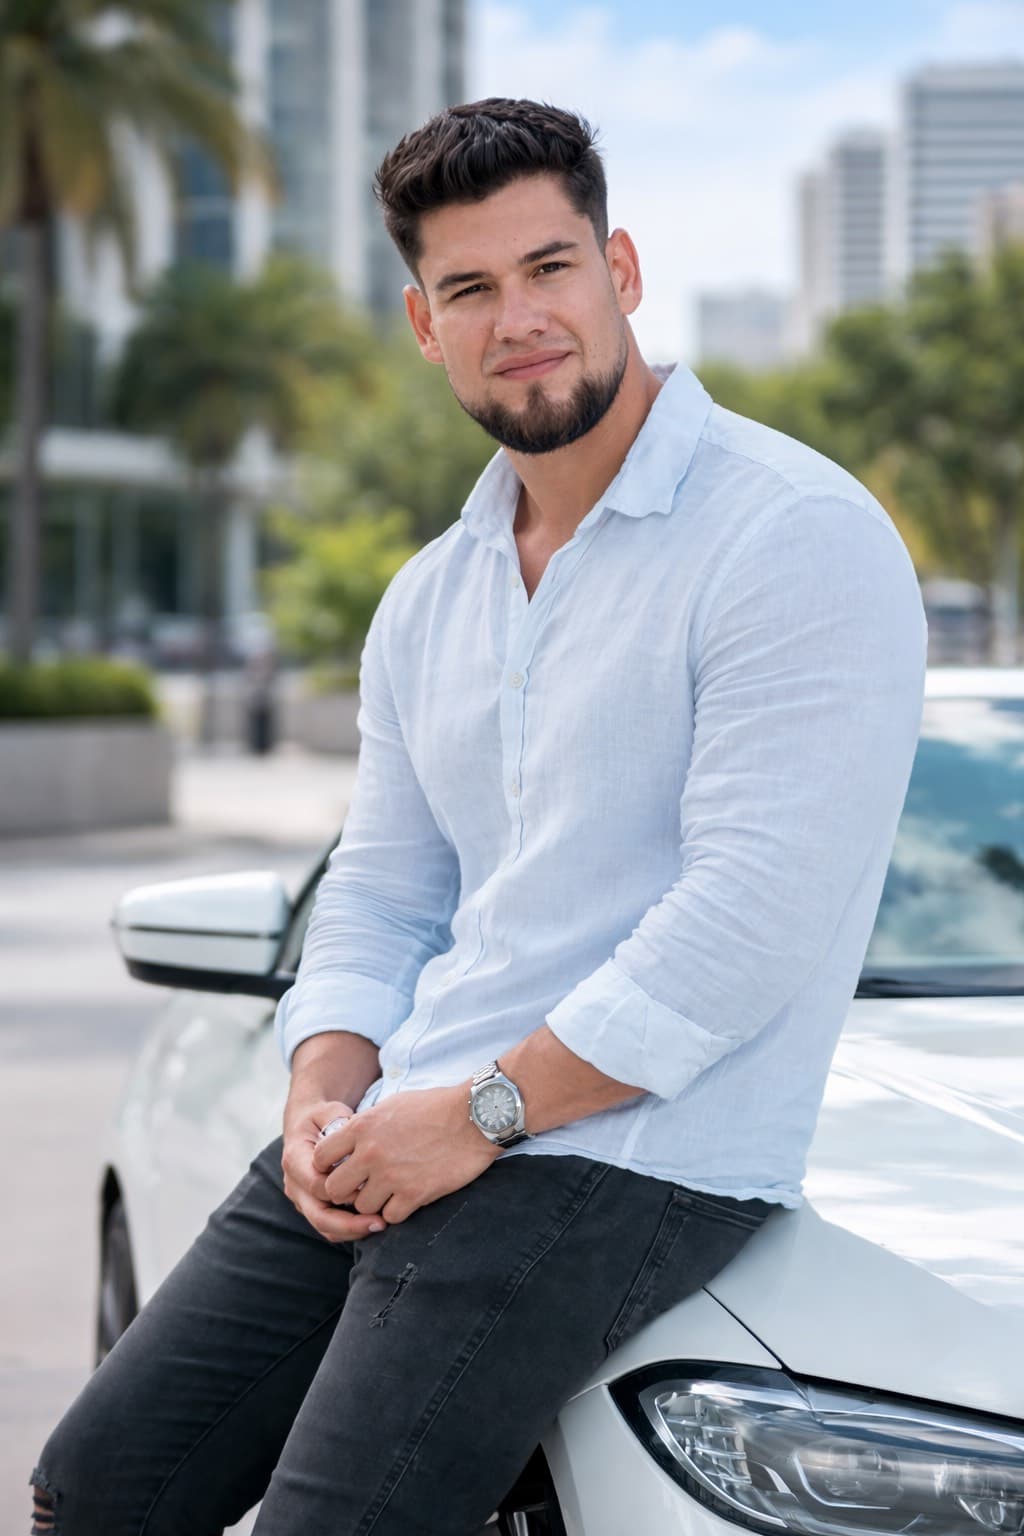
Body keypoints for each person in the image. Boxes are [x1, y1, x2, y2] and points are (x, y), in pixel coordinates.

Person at [30, 97, 927, 1536]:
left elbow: (755, 912)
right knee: (105, 1482)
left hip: (628, 1150)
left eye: (549, 269)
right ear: (422, 322)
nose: (520, 318)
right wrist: (324, 1092)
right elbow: (386, 890)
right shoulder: (430, 596)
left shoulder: (790, 534)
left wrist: (487, 1113)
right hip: (414, 1116)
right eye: (471, 289)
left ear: (620, 269)